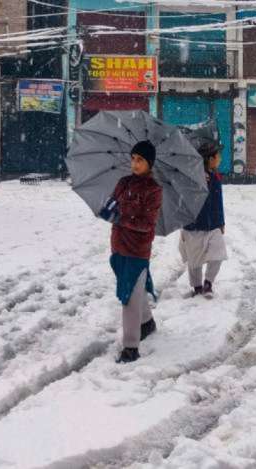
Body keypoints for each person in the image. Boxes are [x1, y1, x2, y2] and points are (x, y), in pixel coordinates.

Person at [103, 140, 162, 364]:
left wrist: (122, 218)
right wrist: (107, 208)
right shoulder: (123, 183)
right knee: (134, 291)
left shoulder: (153, 190)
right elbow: (112, 203)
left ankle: (130, 347)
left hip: (138, 250)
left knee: (129, 296)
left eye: (140, 160)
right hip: (118, 246)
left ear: (150, 163)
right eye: (133, 159)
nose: (135, 164)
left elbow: (147, 224)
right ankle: (147, 322)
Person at [179, 138, 228, 299]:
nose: (220, 159)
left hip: (212, 224)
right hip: (193, 225)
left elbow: (218, 202)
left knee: (218, 253)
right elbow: (183, 200)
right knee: (194, 261)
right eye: (218, 156)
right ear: (210, 159)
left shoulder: (216, 177)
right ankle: (197, 287)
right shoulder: (192, 177)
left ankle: (208, 283)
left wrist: (221, 222)